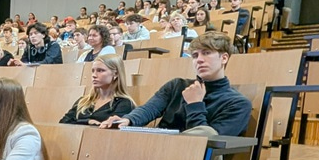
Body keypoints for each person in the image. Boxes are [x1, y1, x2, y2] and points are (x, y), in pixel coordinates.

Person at [99, 32, 252, 136]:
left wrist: (195, 104)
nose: (199, 59)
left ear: (224, 58)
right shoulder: (177, 85)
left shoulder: (238, 104)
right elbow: (149, 109)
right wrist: (127, 120)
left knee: (207, 133)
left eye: (206, 53)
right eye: (195, 55)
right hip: (160, 152)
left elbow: (207, 144)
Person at [60, 55, 136, 125]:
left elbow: (112, 127)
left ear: (115, 74)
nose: (94, 75)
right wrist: (88, 121)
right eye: (93, 71)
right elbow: (63, 123)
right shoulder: (84, 101)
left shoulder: (124, 103)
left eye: (100, 70)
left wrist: (79, 122)